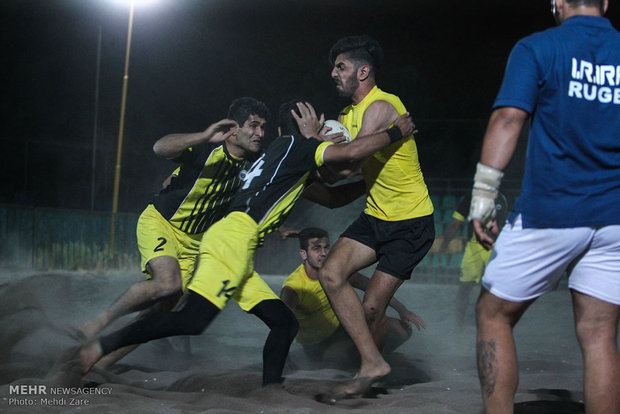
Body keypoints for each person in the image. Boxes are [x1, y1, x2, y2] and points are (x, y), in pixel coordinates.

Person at [75, 100, 418, 386]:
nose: (325, 131)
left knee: (284, 323)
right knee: (190, 318)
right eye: (319, 124)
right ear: (299, 127)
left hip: (237, 246)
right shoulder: (295, 147)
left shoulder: (284, 159)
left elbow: (331, 194)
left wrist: (367, 179)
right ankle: (100, 345)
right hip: (230, 239)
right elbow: (348, 157)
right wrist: (393, 134)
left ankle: (271, 389)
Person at [468, 1, 620, 412]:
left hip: (553, 210)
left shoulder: (538, 47)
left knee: (493, 314)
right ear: (604, 3)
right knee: (600, 334)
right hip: (616, 217)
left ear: (557, 2)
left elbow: (508, 120)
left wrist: (483, 199)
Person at [77, 97, 270, 367]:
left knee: (164, 310)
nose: (260, 133)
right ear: (233, 128)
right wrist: (203, 136)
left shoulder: (256, 164)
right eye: (254, 126)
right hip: (162, 222)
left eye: (264, 127)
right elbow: (160, 147)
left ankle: (101, 363)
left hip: (194, 243)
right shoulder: (206, 149)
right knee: (168, 283)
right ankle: (97, 322)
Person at [316, 35, 435, 393]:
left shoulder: (382, 105)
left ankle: (372, 369)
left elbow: (351, 163)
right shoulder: (344, 116)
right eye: (333, 68)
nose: (334, 74)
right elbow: (336, 172)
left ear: (363, 71)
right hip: (375, 217)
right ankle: (373, 363)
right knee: (332, 274)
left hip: (411, 221)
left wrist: (323, 151)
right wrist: (317, 147)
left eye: (341, 67)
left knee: (371, 308)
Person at [280, 227, 425, 363]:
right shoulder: (293, 288)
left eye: (326, 247)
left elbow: (373, 288)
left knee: (403, 329)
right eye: (317, 249)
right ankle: (362, 360)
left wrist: (403, 310)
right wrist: (281, 358)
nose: (323, 253)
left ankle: (374, 357)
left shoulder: (335, 272)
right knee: (343, 357)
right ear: (303, 254)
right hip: (318, 344)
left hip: (343, 328)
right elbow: (282, 325)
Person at [439, 192, 507, 331]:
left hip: (477, 248)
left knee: (465, 288)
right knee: (492, 289)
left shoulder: (471, 198)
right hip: (492, 247)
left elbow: (455, 225)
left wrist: (444, 244)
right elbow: (504, 227)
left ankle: (458, 325)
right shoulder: (499, 198)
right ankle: (490, 324)